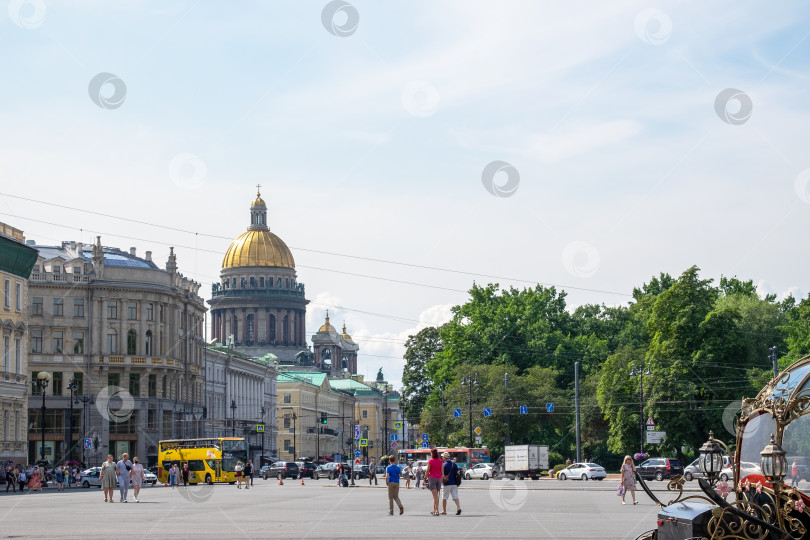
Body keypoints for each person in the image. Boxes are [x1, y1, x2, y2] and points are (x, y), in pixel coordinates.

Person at [426, 448, 443, 515]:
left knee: (435, 496)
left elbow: (427, 471)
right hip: (439, 478)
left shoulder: (430, 461)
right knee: (436, 496)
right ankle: (434, 509)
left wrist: (424, 478)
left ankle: (437, 510)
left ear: (432, 454)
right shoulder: (440, 461)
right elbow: (442, 471)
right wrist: (441, 479)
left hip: (432, 478)